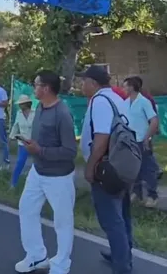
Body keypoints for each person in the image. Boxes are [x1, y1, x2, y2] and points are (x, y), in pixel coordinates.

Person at [14, 70, 77, 274]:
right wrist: (32, 144)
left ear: (46, 88)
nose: (33, 88)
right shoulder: (40, 107)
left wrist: (39, 150)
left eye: (36, 84)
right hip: (38, 171)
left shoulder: (63, 114)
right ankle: (36, 255)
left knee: (62, 220)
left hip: (59, 177)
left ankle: (61, 264)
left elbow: (70, 151)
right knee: (26, 209)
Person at [78, 65, 134, 274]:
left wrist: (90, 167)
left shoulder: (100, 102)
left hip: (107, 168)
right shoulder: (117, 99)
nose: (81, 85)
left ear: (93, 83)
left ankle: (121, 265)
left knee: (111, 220)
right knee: (122, 215)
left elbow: (101, 139)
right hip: (123, 164)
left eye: (84, 81)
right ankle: (122, 254)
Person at [122, 76, 159, 207]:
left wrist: (147, 138)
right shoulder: (125, 103)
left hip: (141, 140)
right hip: (130, 141)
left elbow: (154, 121)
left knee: (148, 169)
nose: (123, 88)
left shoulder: (144, 102)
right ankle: (137, 193)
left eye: (125, 86)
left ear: (132, 87)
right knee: (134, 169)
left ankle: (152, 195)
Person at [8, 94, 35, 188]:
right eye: (19, 104)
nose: (20, 105)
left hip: (33, 142)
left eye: (21, 104)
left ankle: (34, 184)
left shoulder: (34, 114)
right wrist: (11, 137)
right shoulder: (19, 114)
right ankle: (13, 184)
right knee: (20, 162)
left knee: (37, 164)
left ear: (27, 104)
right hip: (23, 143)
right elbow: (15, 126)